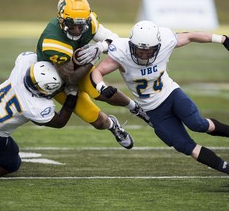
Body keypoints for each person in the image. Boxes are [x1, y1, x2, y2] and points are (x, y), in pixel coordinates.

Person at [91, 20, 229, 175]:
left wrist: (223, 39)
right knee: (184, 146)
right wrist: (102, 87)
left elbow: (191, 36)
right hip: (154, 111)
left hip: (171, 94)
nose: (143, 54)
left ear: (157, 46)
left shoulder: (165, 40)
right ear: (131, 45)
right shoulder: (121, 52)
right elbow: (97, 72)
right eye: (139, 50)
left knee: (198, 124)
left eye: (148, 51)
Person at [36, 0, 150, 150]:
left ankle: (136, 108)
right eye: (71, 25)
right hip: (57, 80)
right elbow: (70, 79)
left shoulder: (90, 23)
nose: (76, 30)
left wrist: (101, 47)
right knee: (96, 120)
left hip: (77, 67)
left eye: (80, 25)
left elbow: (116, 40)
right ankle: (113, 125)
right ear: (61, 20)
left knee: (102, 92)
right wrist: (92, 59)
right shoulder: (53, 41)